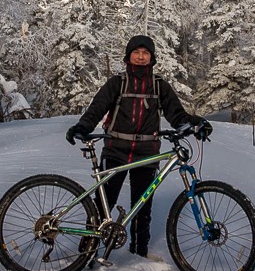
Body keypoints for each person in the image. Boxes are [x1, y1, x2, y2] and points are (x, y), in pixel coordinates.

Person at [65, 35, 212, 258]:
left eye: (146, 53)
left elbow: (176, 114)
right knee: (104, 203)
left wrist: (194, 123)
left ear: (152, 57)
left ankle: (138, 253)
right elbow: (97, 108)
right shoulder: (117, 83)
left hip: (147, 151)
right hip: (115, 150)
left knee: (142, 206)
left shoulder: (159, 86)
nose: (141, 57)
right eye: (137, 52)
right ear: (129, 56)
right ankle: (87, 250)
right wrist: (82, 126)